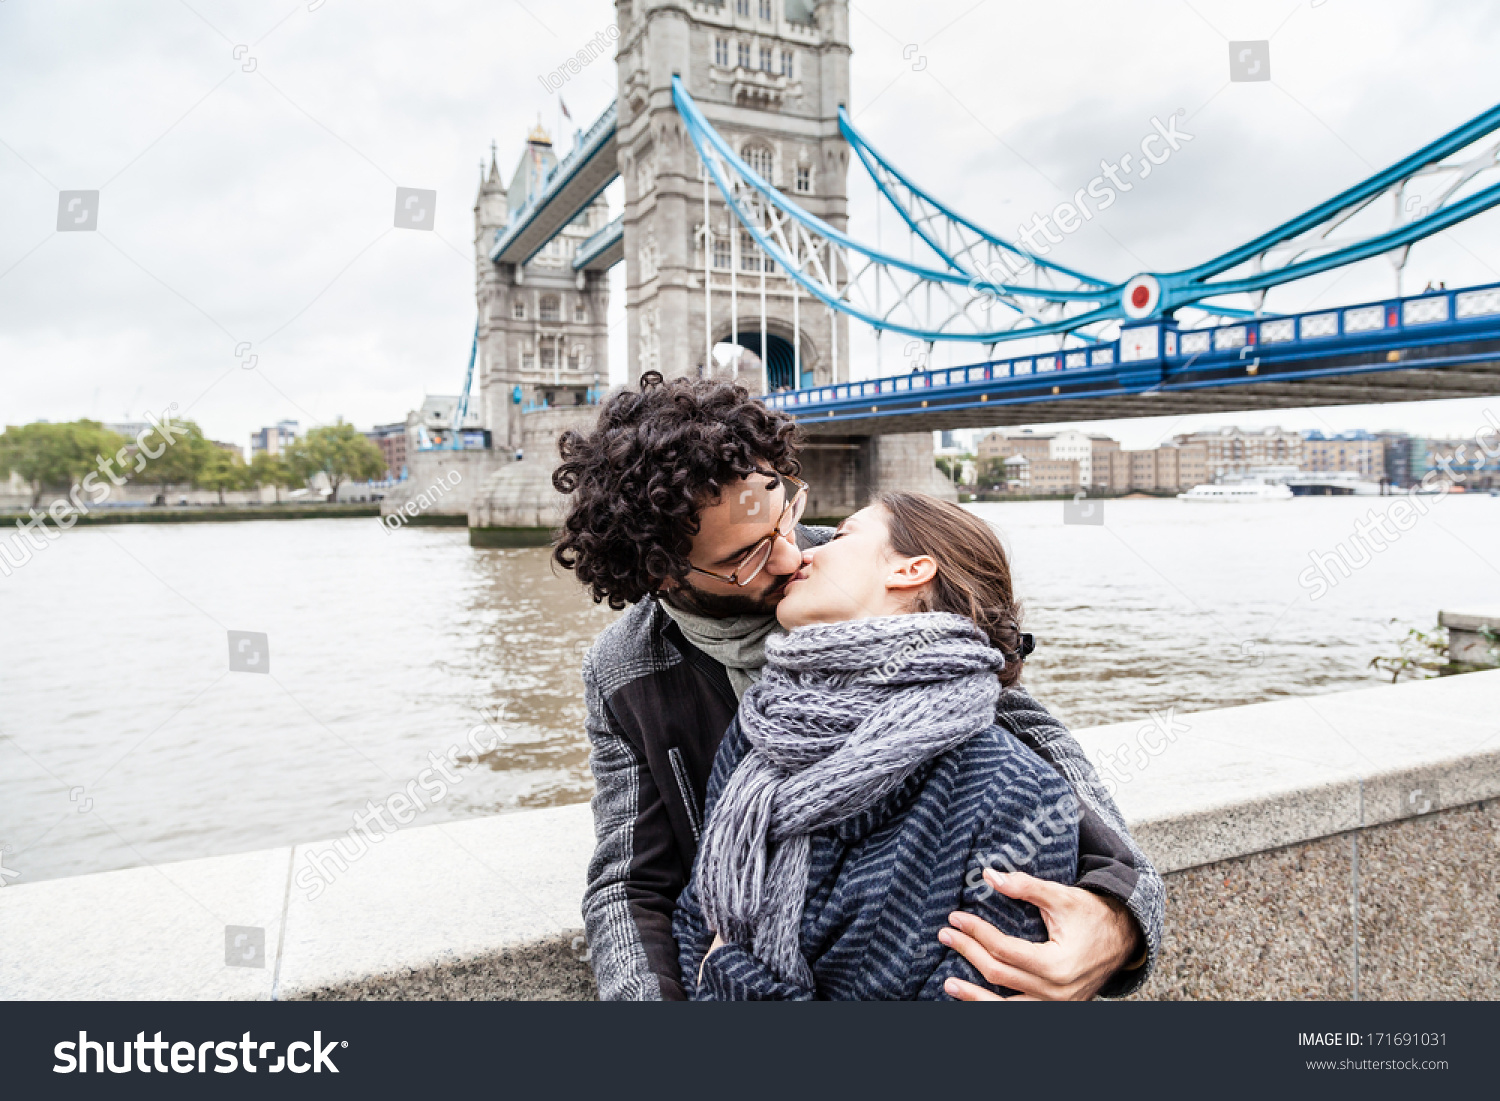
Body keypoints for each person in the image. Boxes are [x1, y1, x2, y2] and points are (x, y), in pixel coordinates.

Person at [552, 371, 1162, 1001]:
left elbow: (1024, 739)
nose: (790, 557)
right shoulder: (624, 669)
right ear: (663, 577)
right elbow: (632, 884)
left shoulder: (851, 582)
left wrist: (1123, 921)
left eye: (784, 515)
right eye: (747, 560)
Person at [675, 492, 1080, 999]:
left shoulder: (1017, 794)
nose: (803, 553)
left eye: (842, 534)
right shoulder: (764, 729)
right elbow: (697, 912)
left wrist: (727, 977)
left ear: (911, 571)